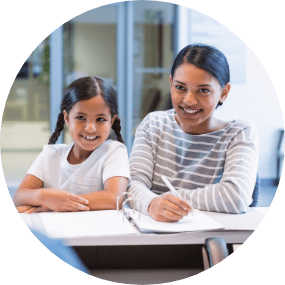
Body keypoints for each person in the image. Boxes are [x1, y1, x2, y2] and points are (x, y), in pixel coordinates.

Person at [128, 44, 258, 222]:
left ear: (224, 93)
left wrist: (166, 200)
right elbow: (131, 184)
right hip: (153, 235)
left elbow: (236, 197)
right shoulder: (153, 125)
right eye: (180, 87)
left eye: (203, 90)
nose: (189, 100)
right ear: (171, 83)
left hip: (209, 240)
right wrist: (152, 204)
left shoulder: (239, 133)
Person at [14, 76, 130, 213]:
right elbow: (19, 197)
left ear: (111, 121)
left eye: (100, 119)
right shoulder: (50, 154)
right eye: (81, 117)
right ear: (67, 118)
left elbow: (113, 198)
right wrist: (45, 197)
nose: (90, 128)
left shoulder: (114, 151)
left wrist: (56, 204)